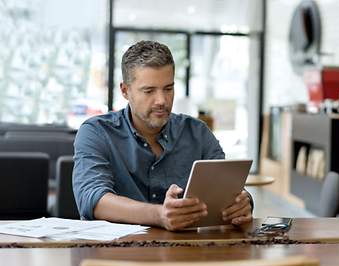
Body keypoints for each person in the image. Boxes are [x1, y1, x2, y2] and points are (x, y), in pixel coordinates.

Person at [72, 40, 253, 231]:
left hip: (188, 254)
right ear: (125, 91)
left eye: (168, 88)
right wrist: (159, 215)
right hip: (118, 254)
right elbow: (93, 199)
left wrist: (243, 202)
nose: (162, 100)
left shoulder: (197, 133)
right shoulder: (96, 132)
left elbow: (226, 188)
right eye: (149, 91)